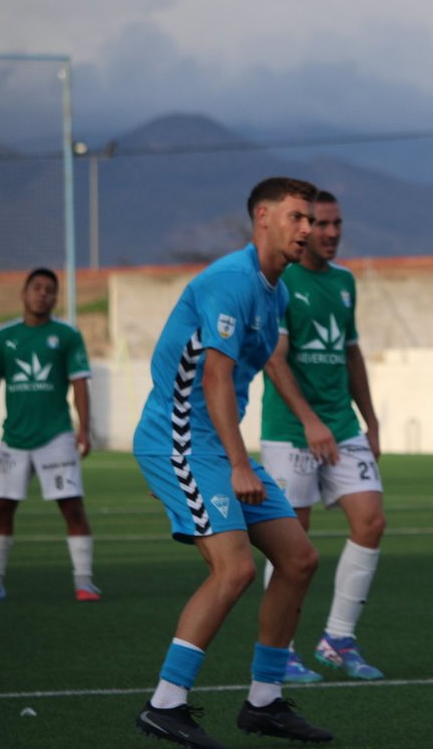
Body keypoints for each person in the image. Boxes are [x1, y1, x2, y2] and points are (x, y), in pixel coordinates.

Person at [132, 178, 333, 748]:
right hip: (183, 442)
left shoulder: (276, 292)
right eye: (297, 217)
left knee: (299, 559)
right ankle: (165, 705)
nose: (308, 230)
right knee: (236, 570)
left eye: (311, 220)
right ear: (263, 217)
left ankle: (264, 703)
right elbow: (215, 377)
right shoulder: (230, 282)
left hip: (211, 450)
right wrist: (231, 466)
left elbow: (261, 367)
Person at [260, 189, 386, 684]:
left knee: (371, 521)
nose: (331, 233)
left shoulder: (345, 282)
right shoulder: (283, 281)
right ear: (303, 227)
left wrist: (370, 420)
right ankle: (280, 649)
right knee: (293, 543)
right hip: (291, 431)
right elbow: (274, 358)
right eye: (321, 224)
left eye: (337, 224)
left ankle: (337, 639)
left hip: (342, 426)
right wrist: (310, 421)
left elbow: (351, 354)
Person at [0, 268, 98, 602]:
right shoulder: (4, 337)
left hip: (56, 436)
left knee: (71, 507)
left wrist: (83, 429)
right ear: (24, 292)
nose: (43, 294)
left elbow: (80, 383)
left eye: (49, 290)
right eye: (37, 288)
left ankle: (84, 582)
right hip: (14, 438)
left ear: (55, 298)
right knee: (0, 509)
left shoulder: (67, 335)